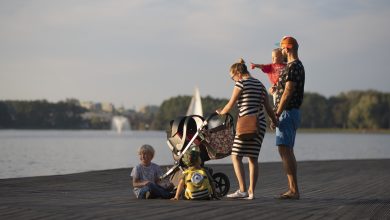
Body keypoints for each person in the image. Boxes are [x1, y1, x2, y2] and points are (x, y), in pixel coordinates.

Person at [216, 58, 278, 200]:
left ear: (238, 72)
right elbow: (268, 108)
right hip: (259, 124)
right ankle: (251, 192)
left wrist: (221, 112)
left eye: (233, 77)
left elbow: (230, 104)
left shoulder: (241, 83)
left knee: (236, 156)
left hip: (245, 124)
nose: (233, 80)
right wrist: (275, 121)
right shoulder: (261, 85)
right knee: (253, 158)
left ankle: (242, 189)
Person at [274, 36, 305, 200]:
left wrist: (276, 113)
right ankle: (293, 189)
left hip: (287, 112)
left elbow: (288, 92)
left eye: (282, 48)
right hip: (290, 112)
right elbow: (283, 90)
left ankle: (294, 190)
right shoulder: (295, 66)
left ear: (289, 48)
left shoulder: (293, 67)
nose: (281, 51)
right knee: (286, 150)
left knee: (285, 150)